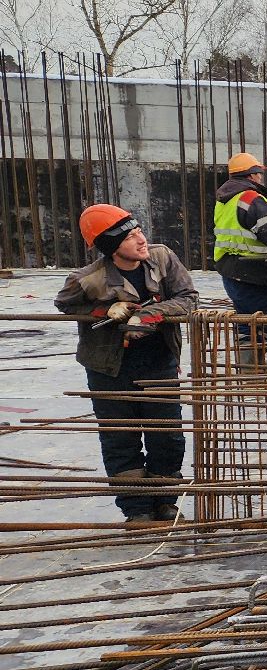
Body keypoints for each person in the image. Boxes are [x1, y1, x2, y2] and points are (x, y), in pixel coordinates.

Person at [55, 205, 200, 522]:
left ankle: (164, 502)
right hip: (109, 370)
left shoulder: (161, 259)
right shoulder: (90, 279)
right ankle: (136, 510)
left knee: (168, 437)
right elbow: (63, 303)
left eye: (139, 232)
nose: (140, 240)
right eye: (130, 236)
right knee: (121, 439)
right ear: (111, 246)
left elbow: (188, 297)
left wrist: (147, 314)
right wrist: (103, 311)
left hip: (159, 365)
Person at [212, 152, 267, 358]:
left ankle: (249, 369)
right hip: (252, 270)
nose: (260, 177)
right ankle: (253, 368)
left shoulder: (226, 198)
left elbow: (251, 220)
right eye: (259, 173)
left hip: (231, 267)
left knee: (246, 321)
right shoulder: (251, 197)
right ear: (252, 175)